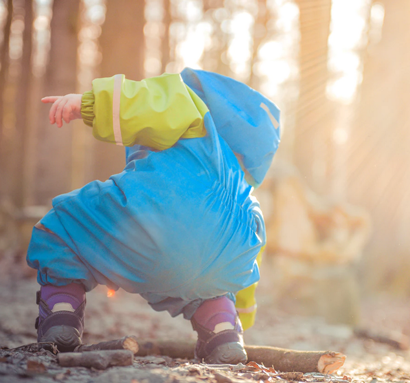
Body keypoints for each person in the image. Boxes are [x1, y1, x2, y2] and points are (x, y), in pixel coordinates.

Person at [27, 68, 280, 364]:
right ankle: (223, 329)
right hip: (216, 267)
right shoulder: (247, 200)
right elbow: (249, 264)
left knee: (63, 226)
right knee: (211, 283)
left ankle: (61, 314)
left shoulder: (194, 112)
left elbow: (149, 102)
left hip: (152, 227)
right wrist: (243, 316)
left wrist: (87, 104)